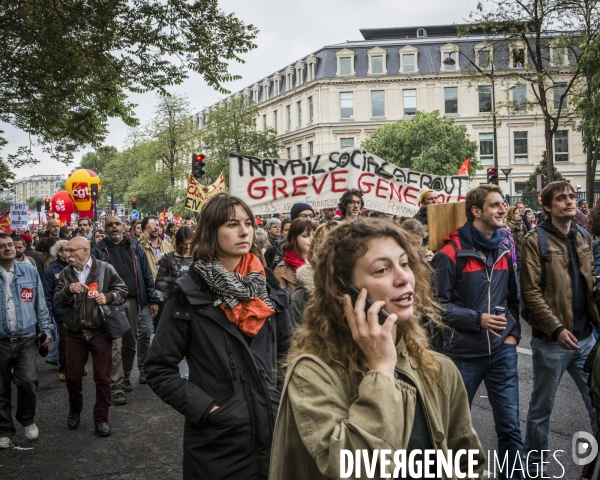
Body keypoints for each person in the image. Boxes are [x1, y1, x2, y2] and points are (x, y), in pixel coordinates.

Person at [269, 217, 485, 479]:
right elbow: (355, 468)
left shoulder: (439, 369)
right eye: (382, 270)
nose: (404, 278)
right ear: (344, 290)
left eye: (405, 264)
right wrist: (382, 370)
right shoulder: (312, 374)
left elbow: (468, 463)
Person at [145, 193, 292, 479]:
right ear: (212, 232)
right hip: (219, 442)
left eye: (248, 223)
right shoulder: (188, 293)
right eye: (232, 224)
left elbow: (289, 350)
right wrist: (207, 408)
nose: (244, 231)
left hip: (275, 431)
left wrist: (280, 395)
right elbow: (158, 368)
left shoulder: (269, 287)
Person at [432, 184, 523, 480]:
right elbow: (435, 306)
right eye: (496, 205)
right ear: (476, 211)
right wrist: (477, 319)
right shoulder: (450, 253)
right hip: (461, 356)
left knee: (510, 427)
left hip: (501, 353)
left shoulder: (504, 251)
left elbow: (512, 300)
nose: (503, 210)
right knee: (453, 430)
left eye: (504, 204)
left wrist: (513, 336)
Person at [520, 181, 600, 476]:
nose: (570, 201)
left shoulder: (582, 235)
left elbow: (587, 281)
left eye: (571, 196)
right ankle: (534, 468)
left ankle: (590, 468)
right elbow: (531, 293)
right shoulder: (534, 239)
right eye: (562, 198)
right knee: (541, 412)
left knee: (597, 407)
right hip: (552, 342)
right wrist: (555, 329)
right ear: (547, 206)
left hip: (586, 340)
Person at [53, 237, 128, 437]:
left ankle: (101, 418)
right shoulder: (66, 274)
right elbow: (57, 301)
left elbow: (122, 290)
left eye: (71, 250)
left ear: (85, 250)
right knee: (73, 377)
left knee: (103, 377)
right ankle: (75, 410)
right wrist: (69, 290)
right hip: (75, 333)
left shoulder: (105, 268)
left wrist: (108, 297)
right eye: (65, 250)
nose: (66, 254)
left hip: (99, 331)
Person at [91, 216, 159, 403]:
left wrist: (152, 299)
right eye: (110, 225)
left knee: (130, 343)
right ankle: (117, 386)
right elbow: (93, 277)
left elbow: (146, 274)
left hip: (133, 301)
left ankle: (127, 376)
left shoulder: (135, 247)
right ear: (104, 228)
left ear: (123, 227)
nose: (114, 227)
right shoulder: (97, 250)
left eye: (117, 224)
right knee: (115, 345)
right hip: (110, 302)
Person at [0, 233, 53, 449]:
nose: (8, 249)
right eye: (2, 246)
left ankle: (27, 419)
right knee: (1, 388)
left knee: (28, 381)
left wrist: (46, 328)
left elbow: (40, 303)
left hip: (26, 338)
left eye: (10, 245)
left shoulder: (29, 271)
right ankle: (4, 430)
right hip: (1, 340)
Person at [43, 240, 70, 381]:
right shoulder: (51, 270)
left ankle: (79, 364)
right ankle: (64, 368)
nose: (71, 253)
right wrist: (48, 314)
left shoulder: (77, 266)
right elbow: (47, 295)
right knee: (64, 341)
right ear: (60, 252)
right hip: (61, 312)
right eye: (68, 250)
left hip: (78, 310)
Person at [273, 219, 314, 294]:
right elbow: (281, 301)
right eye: (305, 236)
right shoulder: (282, 269)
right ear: (294, 239)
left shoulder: (321, 261)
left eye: (313, 235)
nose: (312, 239)